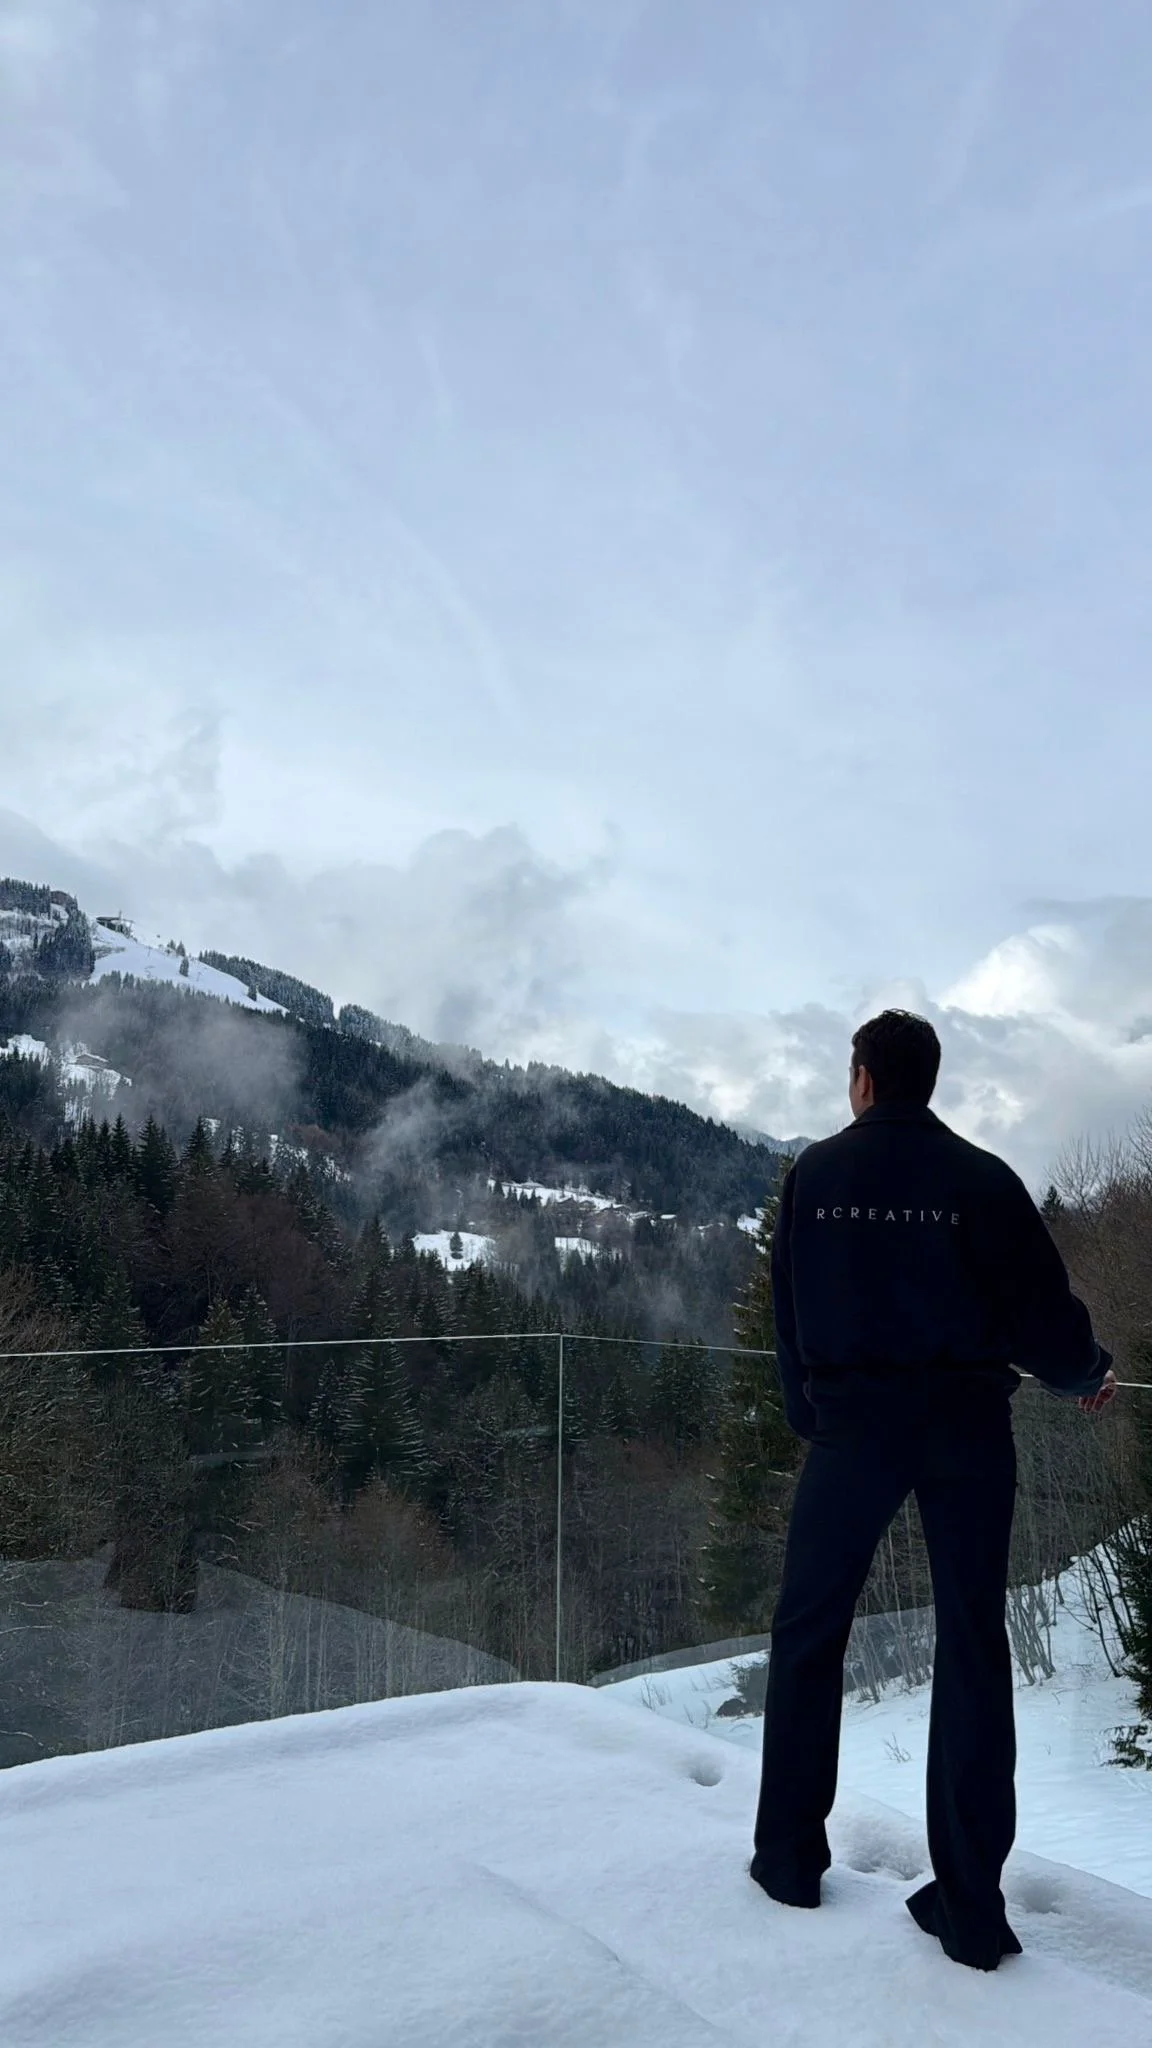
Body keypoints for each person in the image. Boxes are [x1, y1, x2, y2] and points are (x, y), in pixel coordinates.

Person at [751, 1008, 1116, 1973]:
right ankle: (968, 1910)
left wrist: (813, 1418)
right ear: (930, 1080)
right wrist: (1087, 1375)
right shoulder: (982, 1179)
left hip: (851, 1434)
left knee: (808, 1635)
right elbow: (1045, 1320)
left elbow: (787, 1321)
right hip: (964, 1433)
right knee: (970, 1644)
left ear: (864, 1078)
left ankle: (788, 1859)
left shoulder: (813, 1178)